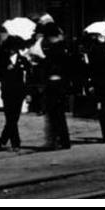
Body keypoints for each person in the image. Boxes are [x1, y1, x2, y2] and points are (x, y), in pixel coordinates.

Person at [38, 17, 73, 150]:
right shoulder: (65, 47)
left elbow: (49, 67)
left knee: (53, 114)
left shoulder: (53, 50)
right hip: (62, 84)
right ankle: (64, 140)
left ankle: (55, 140)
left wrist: (42, 61)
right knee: (60, 114)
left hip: (53, 83)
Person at [0, 34, 29, 150]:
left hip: (19, 92)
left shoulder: (23, 60)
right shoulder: (2, 60)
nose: (12, 50)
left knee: (14, 118)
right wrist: (5, 71)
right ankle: (15, 143)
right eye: (10, 47)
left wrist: (28, 93)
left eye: (15, 47)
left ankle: (1, 141)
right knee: (10, 118)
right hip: (7, 91)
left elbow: (27, 78)